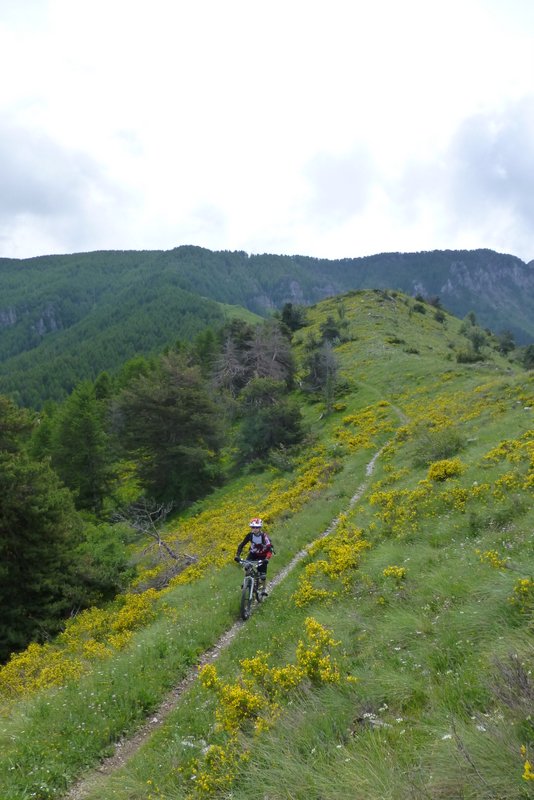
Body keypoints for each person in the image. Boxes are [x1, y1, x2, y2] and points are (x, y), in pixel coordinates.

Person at [234, 517, 274, 596]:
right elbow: (241, 545)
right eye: (253, 527)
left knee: (262, 575)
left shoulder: (264, 536)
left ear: (260, 528)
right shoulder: (250, 535)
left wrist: (267, 558)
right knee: (247, 566)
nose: (255, 529)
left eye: (257, 527)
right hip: (253, 554)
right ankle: (246, 583)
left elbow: (270, 549)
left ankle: (263, 589)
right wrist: (237, 555)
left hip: (263, 556)